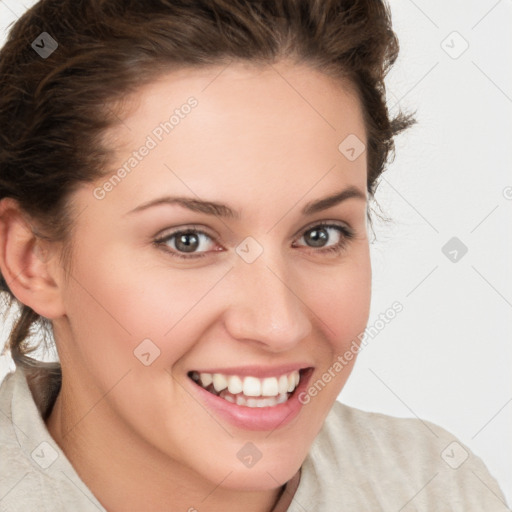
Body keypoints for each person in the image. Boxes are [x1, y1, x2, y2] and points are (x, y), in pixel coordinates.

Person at [0, 1, 508, 511]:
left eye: (319, 234)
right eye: (188, 241)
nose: (277, 325)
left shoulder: (437, 489)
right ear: (32, 260)